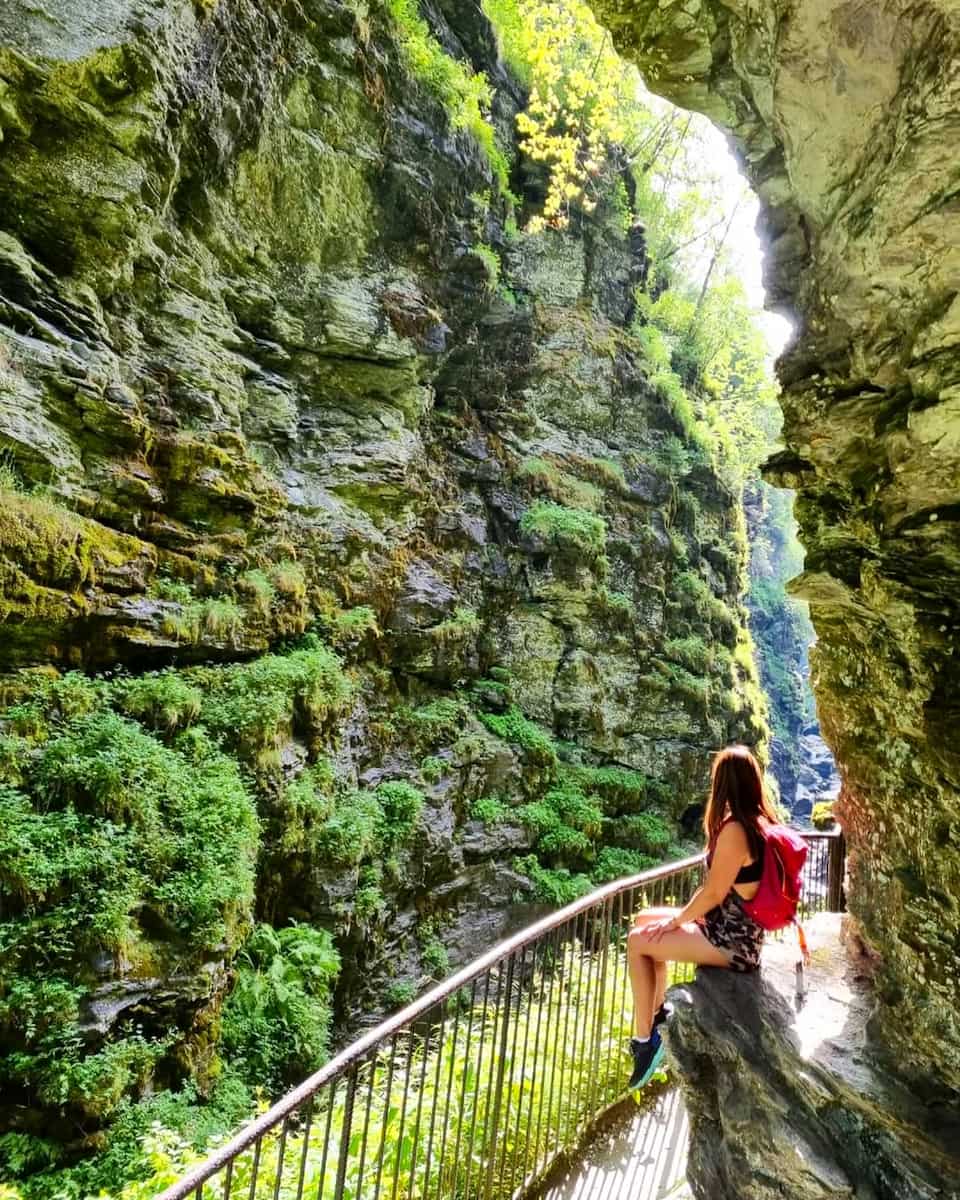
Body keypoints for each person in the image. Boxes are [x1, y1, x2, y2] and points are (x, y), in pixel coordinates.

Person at [626, 744, 777, 1089]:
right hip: (731, 930)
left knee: (638, 942)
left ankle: (644, 1041)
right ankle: (657, 1015)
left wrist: (676, 921)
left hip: (732, 943)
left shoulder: (737, 830)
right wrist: (675, 921)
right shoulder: (756, 822)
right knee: (644, 920)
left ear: (724, 783)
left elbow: (713, 893)